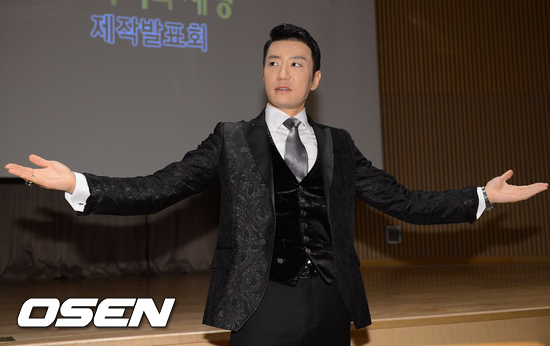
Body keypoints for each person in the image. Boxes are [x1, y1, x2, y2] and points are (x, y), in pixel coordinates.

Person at [5, 23, 548, 346]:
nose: (282, 72)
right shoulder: (230, 139)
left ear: (315, 79)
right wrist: (79, 182)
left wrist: (481, 197)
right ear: (263, 73)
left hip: (332, 302)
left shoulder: (339, 144)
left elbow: (402, 201)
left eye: (296, 63)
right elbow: (159, 187)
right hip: (258, 304)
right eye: (272, 62)